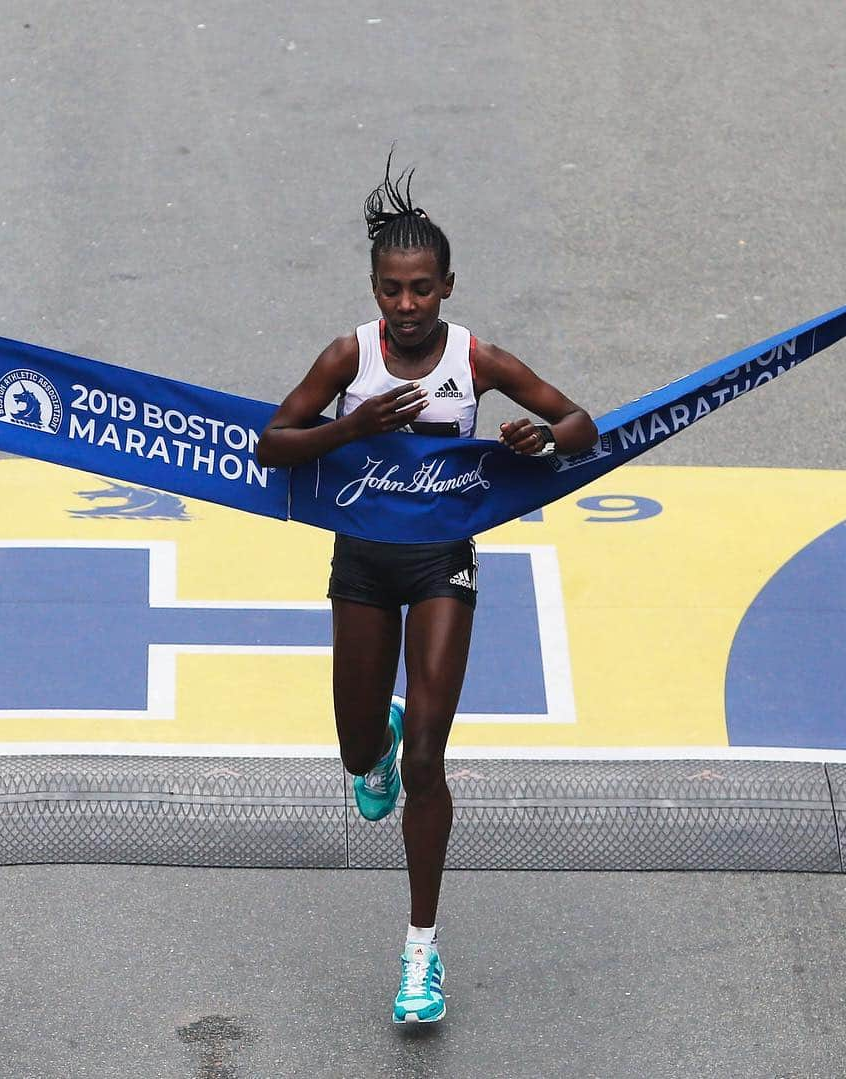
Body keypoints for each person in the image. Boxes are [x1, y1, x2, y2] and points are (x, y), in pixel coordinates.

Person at [256, 152, 598, 1024]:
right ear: (374, 291)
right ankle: (380, 735)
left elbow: (580, 424)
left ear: (447, 285)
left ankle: (419, 954)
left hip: (443, 557)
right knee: (357, 749)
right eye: (389, 291)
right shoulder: (350, 357)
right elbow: (272, 444)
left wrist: (538, 439)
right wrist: (353, 425)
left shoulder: (475, 360)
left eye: (420, 290)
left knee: (425, 764)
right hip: (364, 562)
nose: (405, 307)